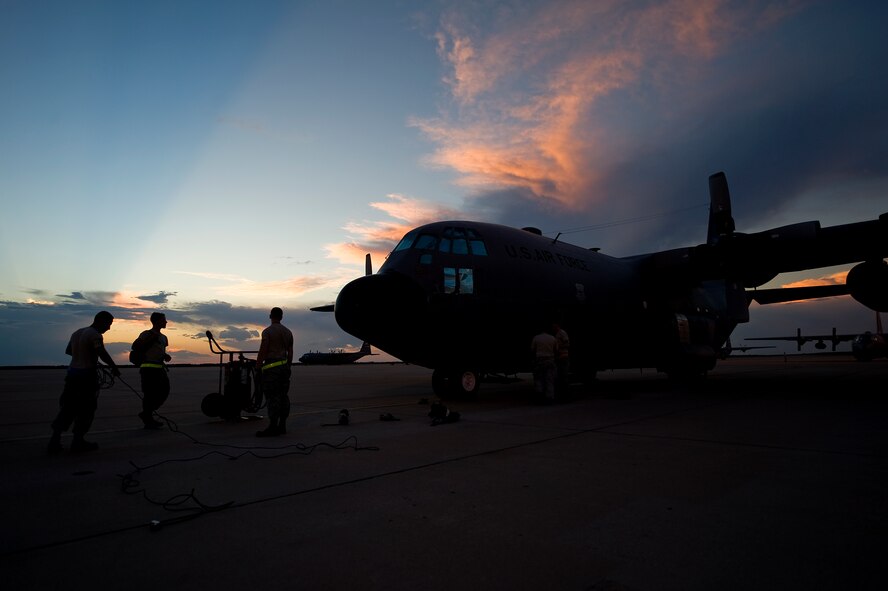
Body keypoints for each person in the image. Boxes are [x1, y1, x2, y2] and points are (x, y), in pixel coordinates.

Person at [48, 311, 121, 453]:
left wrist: (83, 354)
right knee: (86, 410)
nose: (109, 328)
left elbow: (69, 351)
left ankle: (54, 441)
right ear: (101, 321)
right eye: (108, 324)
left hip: (72, 375)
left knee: (67, 408)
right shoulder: (95, 335)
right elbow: (101, 352)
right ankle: (78, 441)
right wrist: (113, 367)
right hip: (86, 378)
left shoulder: (77, 332)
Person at [255, 307, 294, 437]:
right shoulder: (288, 332)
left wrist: (258, 366)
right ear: (281, 317)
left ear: (270, 316)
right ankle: (282, 425)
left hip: (271, 369)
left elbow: (263, 350)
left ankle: (273, 426)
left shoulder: (267, 332)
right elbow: (290, 353)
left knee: (272, 397)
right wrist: (288, 367)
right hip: (284, 368)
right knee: (283, 396)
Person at [131, 312, 172, 429]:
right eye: (164, 320)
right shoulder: (146, 334)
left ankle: (147, 413)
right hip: (148, 370)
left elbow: (159, 351)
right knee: (149, 394)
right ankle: (148, 418)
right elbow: (135, 347)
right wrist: (151, 339)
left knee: (164, 391)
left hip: (160, 369)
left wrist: (165, 356)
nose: (166, 322)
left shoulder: (164, 338)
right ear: (157, 321)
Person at [530, 322, 559, 403]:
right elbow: (556, 350)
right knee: (549, 379)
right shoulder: (552, 338)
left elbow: (532, 350)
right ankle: (550, 397)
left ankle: (539, 396)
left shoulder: (536, 338)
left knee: (539, 379)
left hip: (539, 360)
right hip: (550, 360)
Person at [553, 322, 570, 400]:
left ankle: (565, 394)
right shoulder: (557, 333)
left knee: (563, 375)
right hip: (560, 357)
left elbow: (567, 343)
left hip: (563, 356)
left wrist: (558, 347)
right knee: (560, 375)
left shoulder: (562, 333)